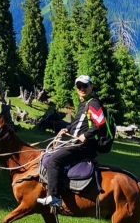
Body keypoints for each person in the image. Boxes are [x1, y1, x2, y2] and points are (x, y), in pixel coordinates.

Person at [37, 75, 109, 207]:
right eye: (79, 86)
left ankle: (54, 197)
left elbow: (100, 124)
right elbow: (78, 124)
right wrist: (67, 129)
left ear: (91, 86)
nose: (82, 88)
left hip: (84, 146)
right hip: (76, 143)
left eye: (85, 86)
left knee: (54, 161)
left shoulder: (93, 103)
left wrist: (86, 136)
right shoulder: (84, 103)